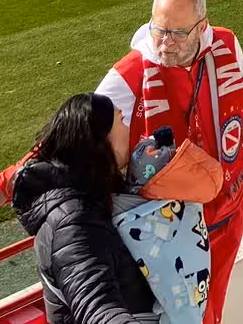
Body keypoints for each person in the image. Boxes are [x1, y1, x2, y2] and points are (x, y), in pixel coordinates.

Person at [0, 0, 243, 324]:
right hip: (168, 231)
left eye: (177, 34)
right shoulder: (132, 71)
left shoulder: (227, 44)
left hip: (227, 212)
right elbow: (72, 132)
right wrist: (2, 185)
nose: (165, 42)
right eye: (159, 30)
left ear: (202, 27)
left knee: (212, 315)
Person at [12, 92, 160, 324]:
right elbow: (98, 312)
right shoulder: (73, 222)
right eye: (121, 121)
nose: (130, 129)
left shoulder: (95, 194)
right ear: (102, 142)